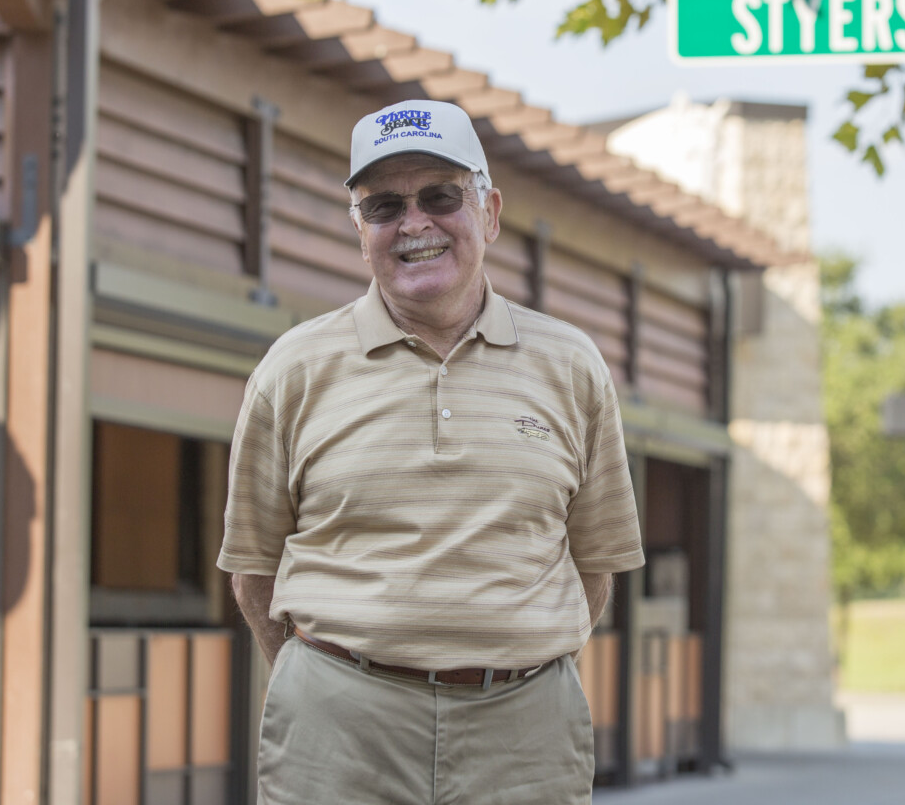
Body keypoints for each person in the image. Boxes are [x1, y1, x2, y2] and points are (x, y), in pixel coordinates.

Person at [219, 98, 645, 804]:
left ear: (491, 212)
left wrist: (513, 666)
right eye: (384, 206)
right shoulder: (293, 368)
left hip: (524, 733)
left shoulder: (571, 365)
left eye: (441, 196)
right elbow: (252, 572)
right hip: (338, 731)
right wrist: (336, 677)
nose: (414, 223)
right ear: (360, 232)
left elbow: (594, 562)